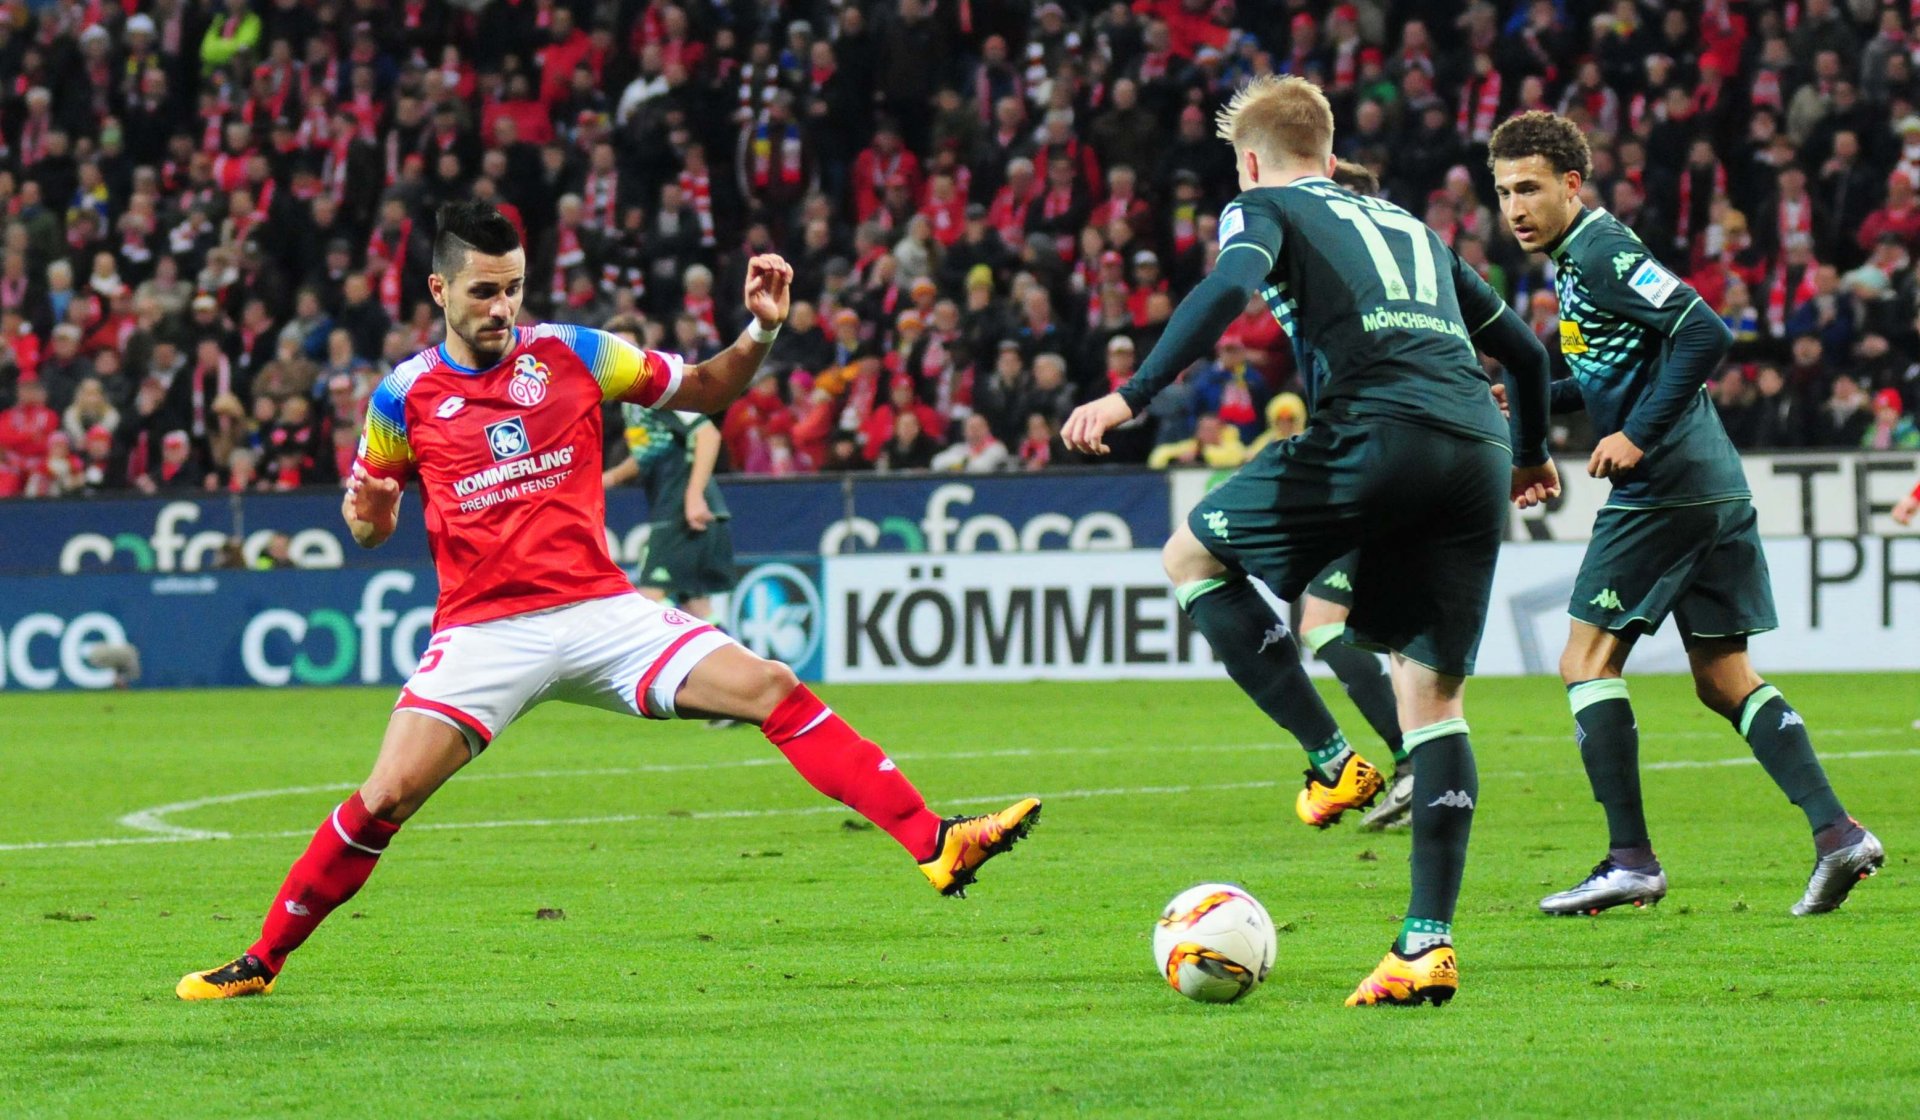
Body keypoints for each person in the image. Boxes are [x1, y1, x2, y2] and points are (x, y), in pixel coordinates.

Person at [176, 202, 1040, 1002]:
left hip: (602, 612)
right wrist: (370, 514)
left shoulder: (576, 353)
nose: (502, 306)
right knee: (386, 796)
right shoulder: (403, 396)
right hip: (484, 634)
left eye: (513, 286)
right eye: (483, 290)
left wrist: (761, 330)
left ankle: (937, 843)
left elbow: (703, 389)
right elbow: (370, 516)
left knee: (771, 686)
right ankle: (262, 960)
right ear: (438, 290)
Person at [1063, 77, 1557, 1007]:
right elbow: (1527, 356)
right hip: (1476, 449)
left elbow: (1225, 292)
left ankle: (1333, 762)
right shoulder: (1412, 225)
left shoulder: (1261, 205)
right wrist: (1529, 455)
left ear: (1250, 160)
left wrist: (1133, 395)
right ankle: (1424, 947)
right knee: (1433, 698)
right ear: (1332, 155)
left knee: (1189, 557)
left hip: (1374, 433)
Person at [1488, 111, 1882, 920]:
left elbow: (1704, 330)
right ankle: (1838, 834)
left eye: (1529, 187)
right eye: (1502, 193)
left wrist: (1636, 434)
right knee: (1724, 678)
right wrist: (1537, 397)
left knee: (1585, 662)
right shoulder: (1573, 262)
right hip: (1713, 484)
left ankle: (1630, 859)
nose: (1515, 207)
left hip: (1666, 485)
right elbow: (1619, 370)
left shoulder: (1600, 248)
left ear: (1572, 183)